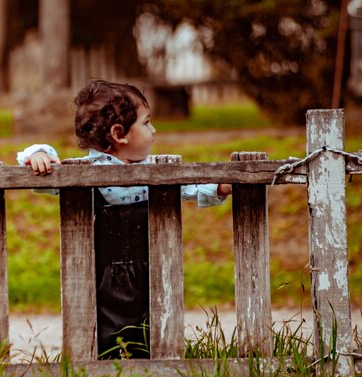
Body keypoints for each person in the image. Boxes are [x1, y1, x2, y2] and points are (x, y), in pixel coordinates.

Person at [17, 80, 232, 359]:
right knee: (106, 330)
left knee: (151, 324)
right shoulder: (84, 173)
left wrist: (221, 187)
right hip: (104, 275)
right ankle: (103, 364)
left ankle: (156, 362)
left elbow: (189, 186)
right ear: (119, 134)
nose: (153, 130)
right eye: (146, 123)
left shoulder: (156, 171)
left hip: (150, 268)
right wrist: (39, 155)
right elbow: (43, 174)